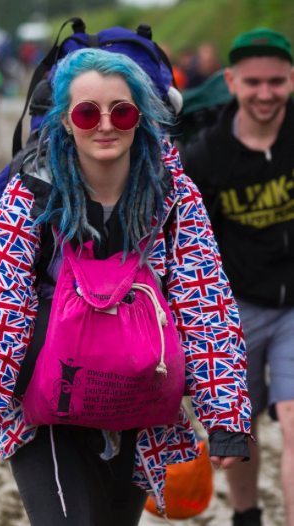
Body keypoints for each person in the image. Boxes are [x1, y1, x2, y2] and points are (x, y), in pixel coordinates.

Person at [0, 48, 252, 526]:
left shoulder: (173, 194)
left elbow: (204, 299)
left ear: (140, 118)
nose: (105, 125)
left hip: (137, 402)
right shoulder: (33, 190)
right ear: (66, 121)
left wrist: (225, 416)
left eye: (121, 111)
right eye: (87, 112)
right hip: (43, 403)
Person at [181, 28, 294, 526]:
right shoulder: (205, 156)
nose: (265, 93)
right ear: (231, 81)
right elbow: (186, 247)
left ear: (292, 80)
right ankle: (246, 515)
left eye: (277, 81)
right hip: (235, 309)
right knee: (238, 427)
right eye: (253, 82)